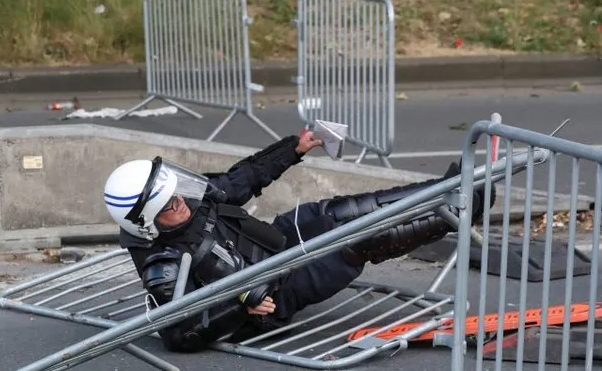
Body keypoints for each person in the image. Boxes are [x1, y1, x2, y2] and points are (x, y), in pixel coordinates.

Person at [103, 131, 494, 353]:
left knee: (346, 212)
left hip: (276, 242)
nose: (182, 204)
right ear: (146, 222)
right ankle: (463, 209)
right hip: (275, 292)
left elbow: (241, 178)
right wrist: (246, 307)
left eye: (177, 195)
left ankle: (450, 189)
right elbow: (181, 334)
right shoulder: (162, 262)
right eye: (169, 206)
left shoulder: (186, 198)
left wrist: (294, 147)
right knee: (357, 241)